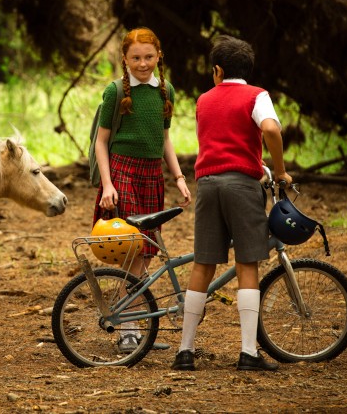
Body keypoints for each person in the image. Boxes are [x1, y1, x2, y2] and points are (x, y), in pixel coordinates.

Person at [172, 35, 292, 372]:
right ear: (248, 71)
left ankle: (185, 351)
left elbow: (220, 141)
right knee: (247, 263)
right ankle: (247, 353)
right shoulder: (257, 95)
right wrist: (279, 170)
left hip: (207, 184)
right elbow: (269, 129)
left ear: (217, 71)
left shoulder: (204, 100)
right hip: (241, 185)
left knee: (203, 264)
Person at [93, 27, 191, 353]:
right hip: (122, 172)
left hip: (151, 175)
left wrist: (178, 177)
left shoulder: (166, 92)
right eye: (136, 57)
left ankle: (133, 323)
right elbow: (101, 141)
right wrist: (107, 185)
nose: (143, 63)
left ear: (158, 56)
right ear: (125, 58)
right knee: (130, 249)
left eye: (149, 57)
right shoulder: (116, 92)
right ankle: (128, 329)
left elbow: (164, 140)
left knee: (146, 252)